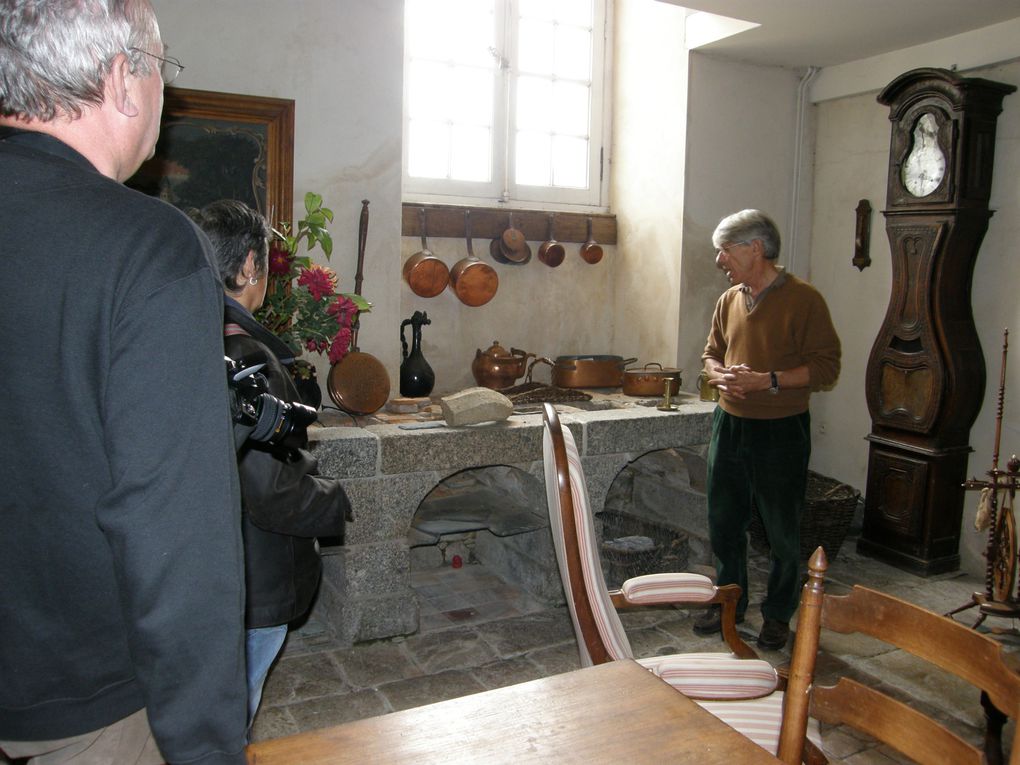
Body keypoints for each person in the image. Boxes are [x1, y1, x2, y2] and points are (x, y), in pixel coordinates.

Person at [0, 2, 248, 763]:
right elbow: (176, 532)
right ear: (122, 82)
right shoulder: (145, 249)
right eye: (163, 71)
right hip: (82, 702)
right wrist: (207, 744)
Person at [190, 200, 351, 730]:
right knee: (230, 717)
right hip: (251, 571)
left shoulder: (184, 340)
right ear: (251, 268)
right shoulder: (249, 361)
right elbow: (270, 488)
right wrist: (334, 499)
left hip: (200, 567)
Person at [694, 209, 840, 651]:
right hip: (729, 423)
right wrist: (718, 376)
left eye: (725, 250)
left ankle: (778, 614)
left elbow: (826, 367)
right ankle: (730, 602)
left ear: (755, 249)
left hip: (780, 429)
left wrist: (767, 380)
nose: (720, 260)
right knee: (723, 522)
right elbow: (710, 354)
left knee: (782, 530)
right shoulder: (729, 299)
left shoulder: (804, 300)